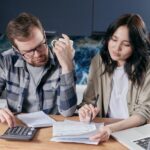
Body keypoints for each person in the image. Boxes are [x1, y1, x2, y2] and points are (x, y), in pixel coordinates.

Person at [78, 13, 150, 143]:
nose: (117, 48)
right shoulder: (99, 61)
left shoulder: (147, 67)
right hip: (104, 132)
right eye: (114, 39)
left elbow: (143, 113)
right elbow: (88, 100)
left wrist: (111, 128)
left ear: (136, 46)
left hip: (134, 132)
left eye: (126, 44)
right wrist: (85, 112)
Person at [0, 12, 77, 127]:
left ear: (44, 36)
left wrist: (67, 66)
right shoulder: (6, 60)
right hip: (17, 126)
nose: (37, 55)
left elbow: (68, 111)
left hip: (51, 129)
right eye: (28, 52)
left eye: (40, 45)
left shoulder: (62, 59)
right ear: (16, 50)